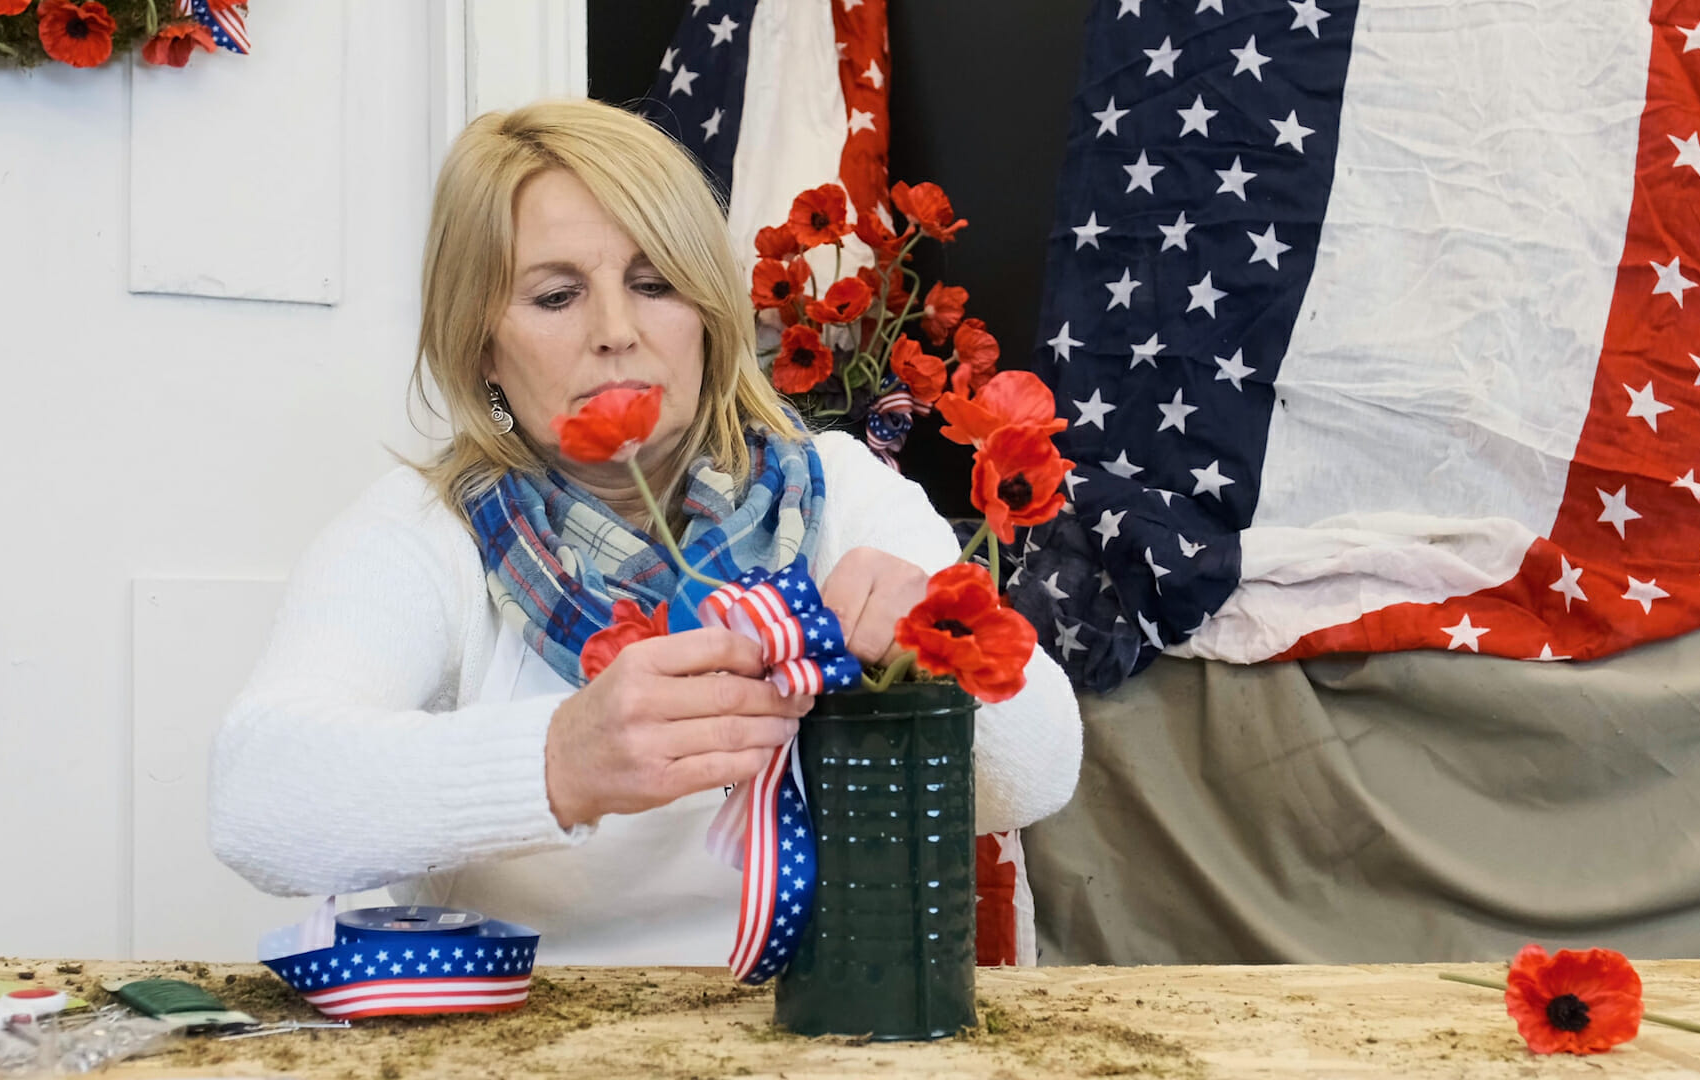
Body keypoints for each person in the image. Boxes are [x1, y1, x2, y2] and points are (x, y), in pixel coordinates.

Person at [208, 98, 1082, 964]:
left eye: (655, 284)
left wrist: (934, 648)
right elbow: (258, 801)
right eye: (555, 296)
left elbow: (1040, 771)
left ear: (706, 310)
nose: (617, 334)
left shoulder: (840, 488)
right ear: (479, 344)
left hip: (828, 1031)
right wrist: (559, 760)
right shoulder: (425, 533)